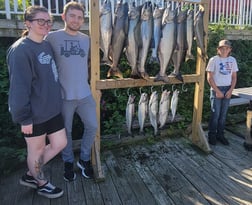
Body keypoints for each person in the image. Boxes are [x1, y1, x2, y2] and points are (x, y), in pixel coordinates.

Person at [7, 6, 67, 199]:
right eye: (40, 21)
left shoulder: (46, 44)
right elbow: (18, 88)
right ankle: (40, 182)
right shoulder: (20, 51)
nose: (46, 25)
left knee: (60, 143)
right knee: (36, 150)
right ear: (28, 23)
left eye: (48, 21)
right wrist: (24, 118)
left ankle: (31, 173)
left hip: (51, 110)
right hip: (33, 114)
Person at [46, 2, 98, 181]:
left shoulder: (86, 39)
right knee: (65, 132)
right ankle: (68, 161)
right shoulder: (51, 38)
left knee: (92, 126)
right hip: (63, 96)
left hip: (84, 94)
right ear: (64, 16)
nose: (76, 20)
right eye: (72, 16)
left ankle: (84, 160)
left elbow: (91, 64)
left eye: (79, 17)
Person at [206, 39, 238, 146]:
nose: (224, 50)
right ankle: (212, 135)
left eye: (226, 48)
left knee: (223, 115)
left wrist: (230, 91)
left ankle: (220, 135)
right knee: (215, 114)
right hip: (216, 90)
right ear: (218, 49)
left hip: (228, 89)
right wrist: (217, 91)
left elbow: (234, 77)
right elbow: (209, 77)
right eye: (222, 48)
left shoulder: (232, 60)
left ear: (230, 49)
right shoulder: (213, 60)